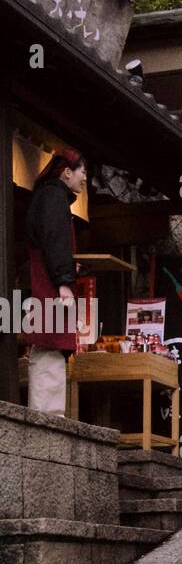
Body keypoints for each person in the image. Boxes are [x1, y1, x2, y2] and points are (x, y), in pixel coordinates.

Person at [24, 150, 86, 415]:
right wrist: (63, 281)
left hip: (43, 278)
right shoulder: (53, 197)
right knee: (50, 343)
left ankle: (49, 417)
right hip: (47, 282)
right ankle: (48, 419)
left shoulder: (49, 196)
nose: (85, 178)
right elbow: (55, 239)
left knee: (47, 345)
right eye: (83, 171)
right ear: (67, 172)